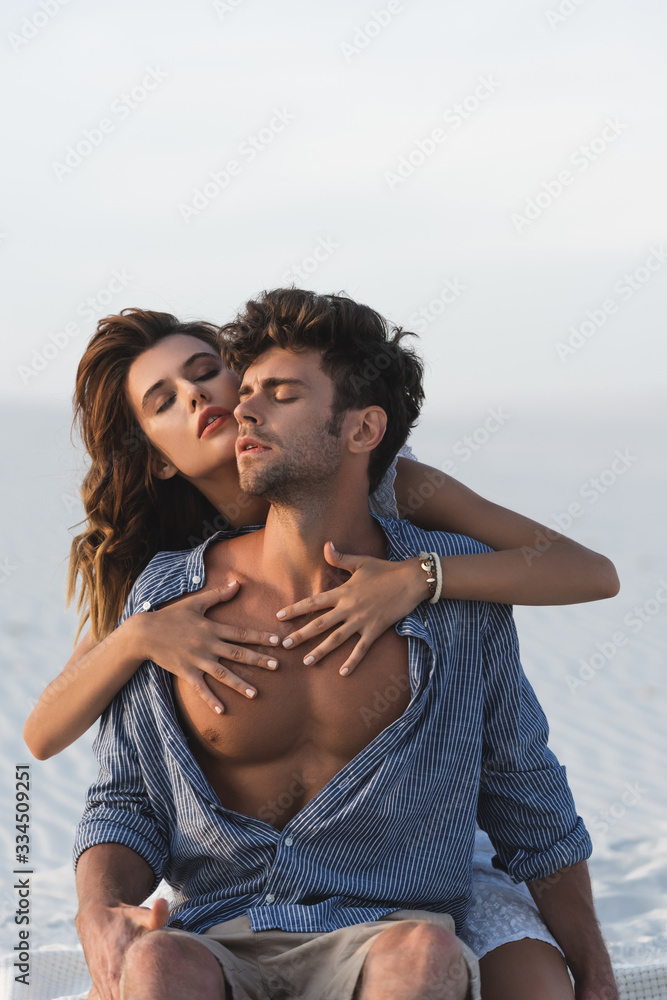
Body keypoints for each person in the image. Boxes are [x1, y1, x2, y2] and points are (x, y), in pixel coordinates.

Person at [71, 289, 618, 1000]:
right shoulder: (166, 594)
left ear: (361, 429)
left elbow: (528, 800)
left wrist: (597, 975)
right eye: (248, 390)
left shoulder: (451, 590)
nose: (239, 407)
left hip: (394, 922)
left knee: (439, 957)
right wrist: (98, 912)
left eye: (280, 393)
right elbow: (123, 799)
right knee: (154, 967)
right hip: (222, 929)